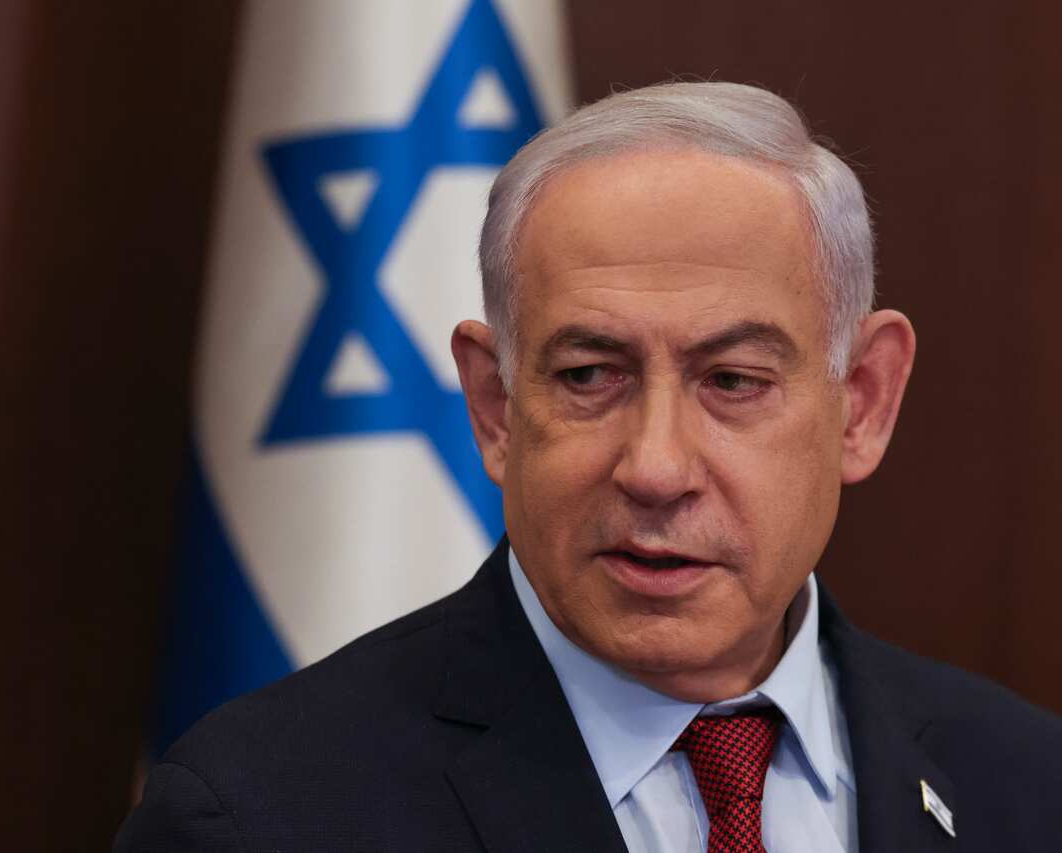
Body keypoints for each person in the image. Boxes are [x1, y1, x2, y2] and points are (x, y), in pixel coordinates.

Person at [115, 82, 1062, 852]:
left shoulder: (1027, 784)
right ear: (494, 406)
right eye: (589, 375)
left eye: (732, 380)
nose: (654, 468)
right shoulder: (258, 816)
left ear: (861, 401)